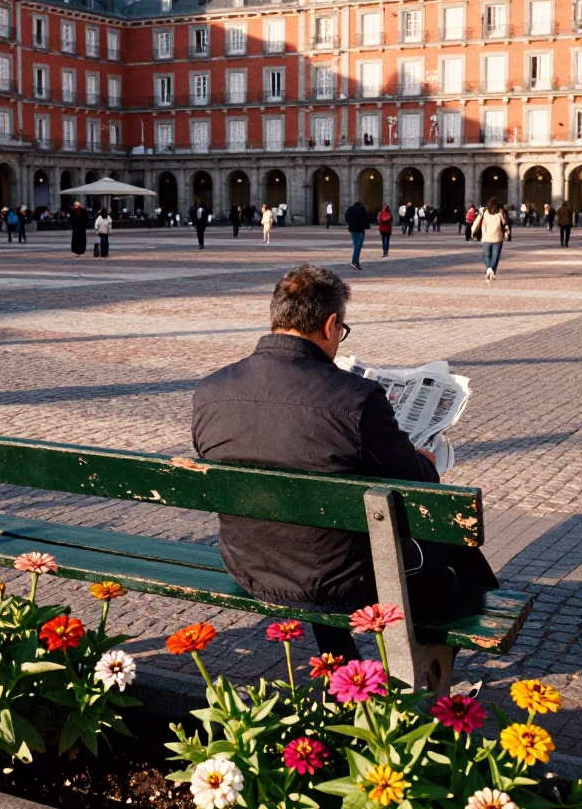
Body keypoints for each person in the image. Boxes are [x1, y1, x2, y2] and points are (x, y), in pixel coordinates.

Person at [192, 262, 498, 659]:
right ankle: (458, 641)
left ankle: (343, 661)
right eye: (342, 331)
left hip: (248, 562)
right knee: (449, 543)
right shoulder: (355, 398)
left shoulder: (210, 390)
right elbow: (418, 483)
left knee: (317, 531)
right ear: (330, 324)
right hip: (336, 578)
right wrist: (424, 458)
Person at [471, 196, 509, 282]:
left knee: (487, 256)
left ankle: (489, 269)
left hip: (486, 238)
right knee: (495, 257)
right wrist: (507, 232)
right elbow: (505, 223)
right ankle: (492, 272)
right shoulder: (500, 212)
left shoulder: (484, 212)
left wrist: (473, 231)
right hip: (497, 238)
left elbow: (476, 222)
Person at [345, 198, 369, 269]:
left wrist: (350, 224)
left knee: (356, 245)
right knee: (358, 246)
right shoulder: (362, 209)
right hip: (360, 230)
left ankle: (357, 262)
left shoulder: (350, 209)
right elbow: (366, 219)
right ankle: (354, 262)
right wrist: (366, 226)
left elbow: (346, 217)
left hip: (352, 230)